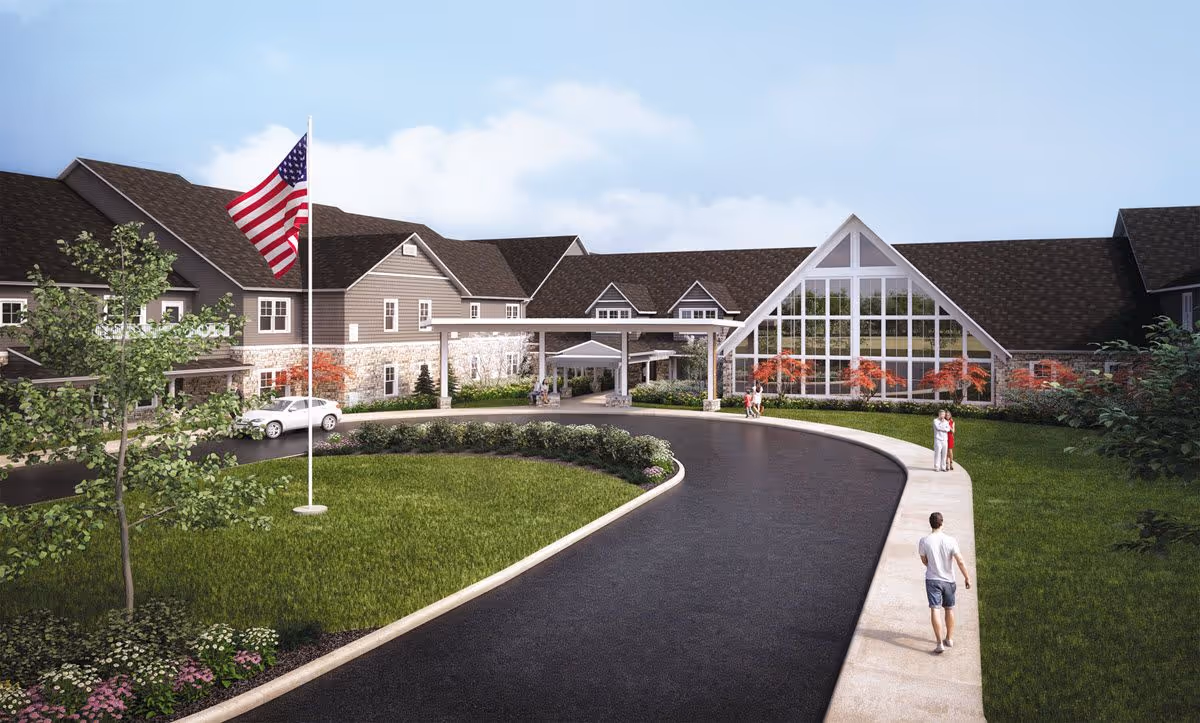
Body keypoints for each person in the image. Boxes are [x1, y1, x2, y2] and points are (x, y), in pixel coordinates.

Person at [918, 512, 972, 654]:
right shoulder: (951, 540)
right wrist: (967, 577)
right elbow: (959, 560)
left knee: (935, 609)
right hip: (949, 580)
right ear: (942, 523)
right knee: (949, 609)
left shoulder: (924, 541)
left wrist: (933, 565)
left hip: (932, 580)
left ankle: (939, 642)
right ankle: (949, 638)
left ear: (931, 524)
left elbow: (924, 561)